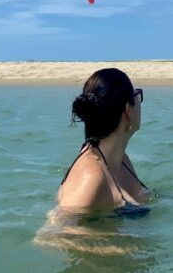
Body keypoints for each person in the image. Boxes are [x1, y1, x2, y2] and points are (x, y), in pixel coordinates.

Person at [58, 68, 149, 213]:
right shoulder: (91, 178)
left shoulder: (121, 160)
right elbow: (54, 231)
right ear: (128, 110)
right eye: (137, 95)